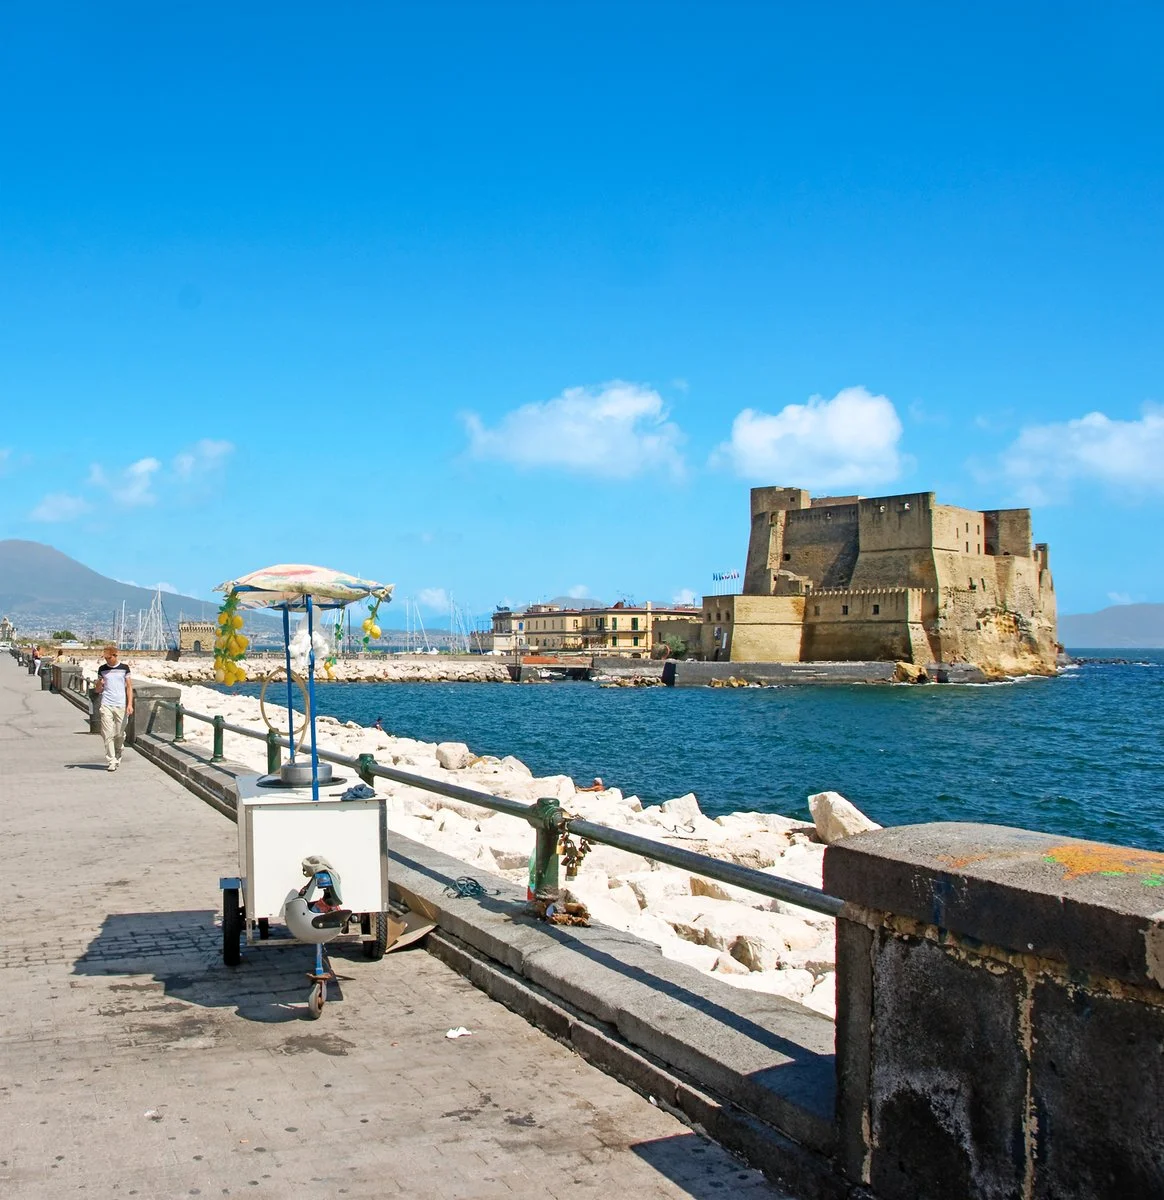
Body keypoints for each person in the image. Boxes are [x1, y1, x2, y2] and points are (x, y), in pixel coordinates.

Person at [95, 646, 133, 772]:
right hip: (106, 704)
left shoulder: (124, 668)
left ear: (115, 655)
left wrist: (129, 704)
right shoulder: (102, 669)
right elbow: (98, 690)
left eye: (109, 657)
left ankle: (118, 751)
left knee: (119, 734)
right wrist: (99, 683)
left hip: (121, 705)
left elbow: (129, 687)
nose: (107, 660)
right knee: (107, 734)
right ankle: (111, 760)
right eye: (105, 658)